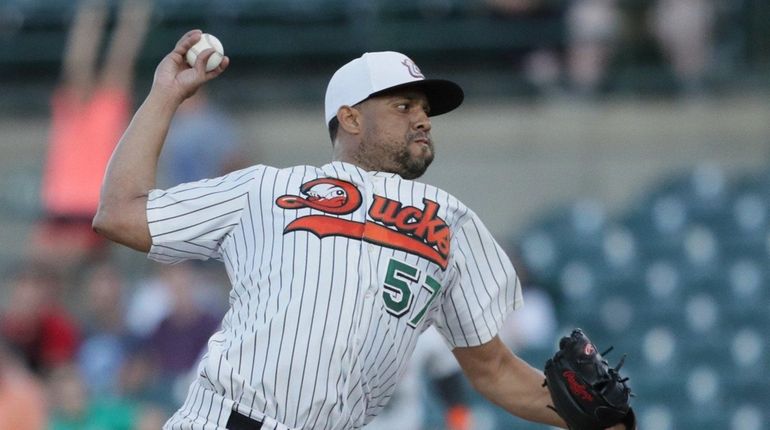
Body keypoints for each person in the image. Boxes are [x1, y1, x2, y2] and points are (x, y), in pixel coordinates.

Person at [92, 30, 630, 430]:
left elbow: (491, 370)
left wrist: (599, 419)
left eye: (425, 109)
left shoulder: (450, 220)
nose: (422, 119)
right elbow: (119, 212)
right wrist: (165, 94)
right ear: (350, 118)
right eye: (403, 106)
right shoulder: (263, 189)